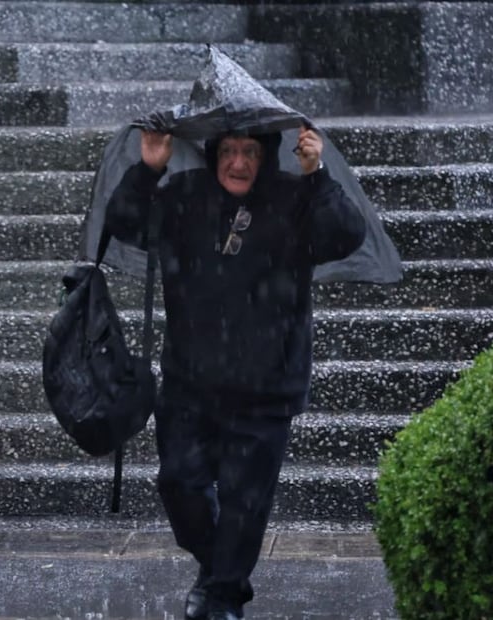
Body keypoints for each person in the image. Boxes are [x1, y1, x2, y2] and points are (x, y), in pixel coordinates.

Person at [104, 127, 366, 619]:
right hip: (189, 381)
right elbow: (123, 222)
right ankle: (219, 565)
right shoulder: (185, 197)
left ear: (266, 156)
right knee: (179, 483)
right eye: (228, 151)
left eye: (249, 151)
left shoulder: (295, 197)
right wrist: (150, 167)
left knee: (246, 502)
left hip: (267, 384)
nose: (238, 163)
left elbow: (345, 235)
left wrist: (317, 175)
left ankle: (222, 595)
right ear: (213, 154)